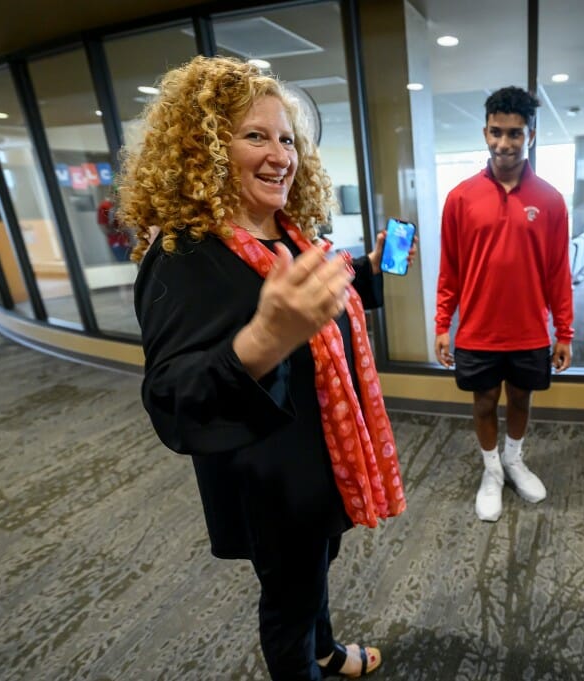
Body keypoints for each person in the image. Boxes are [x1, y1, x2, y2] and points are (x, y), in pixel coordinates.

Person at [120, 56, 409, 681]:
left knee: (316, 570)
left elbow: (313, 303)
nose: (280, 154)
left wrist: (366, 270)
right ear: (205, 149)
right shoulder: (183, 256)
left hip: (326, 460)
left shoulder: (292, 235)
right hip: (270, 482)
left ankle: (325, 652)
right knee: (289, 601)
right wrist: (261, 341)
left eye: (286, 138)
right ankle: (306, 661)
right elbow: (173, 398)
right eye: (256, 136)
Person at [434, 86, 574, 522]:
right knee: (482, 401)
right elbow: (449, 268)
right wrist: (443, 323)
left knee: (520, 400)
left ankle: (514, 460)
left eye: (515, 134)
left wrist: (564, 332)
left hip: (530, 329)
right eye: (496, 132)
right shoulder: (460, 198)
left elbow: (558, 273)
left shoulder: (550, 200)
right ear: (485, 131)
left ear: (530, 135)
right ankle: (491, 471)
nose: (504, 143)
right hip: (477, 330)